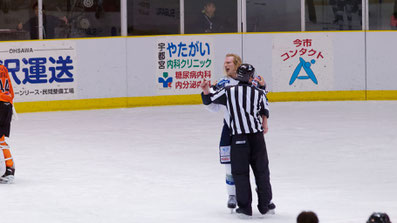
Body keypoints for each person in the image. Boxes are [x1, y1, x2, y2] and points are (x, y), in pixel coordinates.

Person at [201, 64, 274, 218]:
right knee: (262, 171)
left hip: (239, 137)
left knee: (240, 173)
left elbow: (209, 100)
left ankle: (245, 207)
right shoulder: (258, 92)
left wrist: (205, 89)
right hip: (257, 137)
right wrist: (265, 123)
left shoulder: (229, 92)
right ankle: (265, 204)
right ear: (251, 77)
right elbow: (264, 108)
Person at [0, 64, 15, 184]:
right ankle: (9, 168)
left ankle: (7, 170)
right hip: (7, 105)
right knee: (1, 139)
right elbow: (10, 88)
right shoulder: (3, 68)